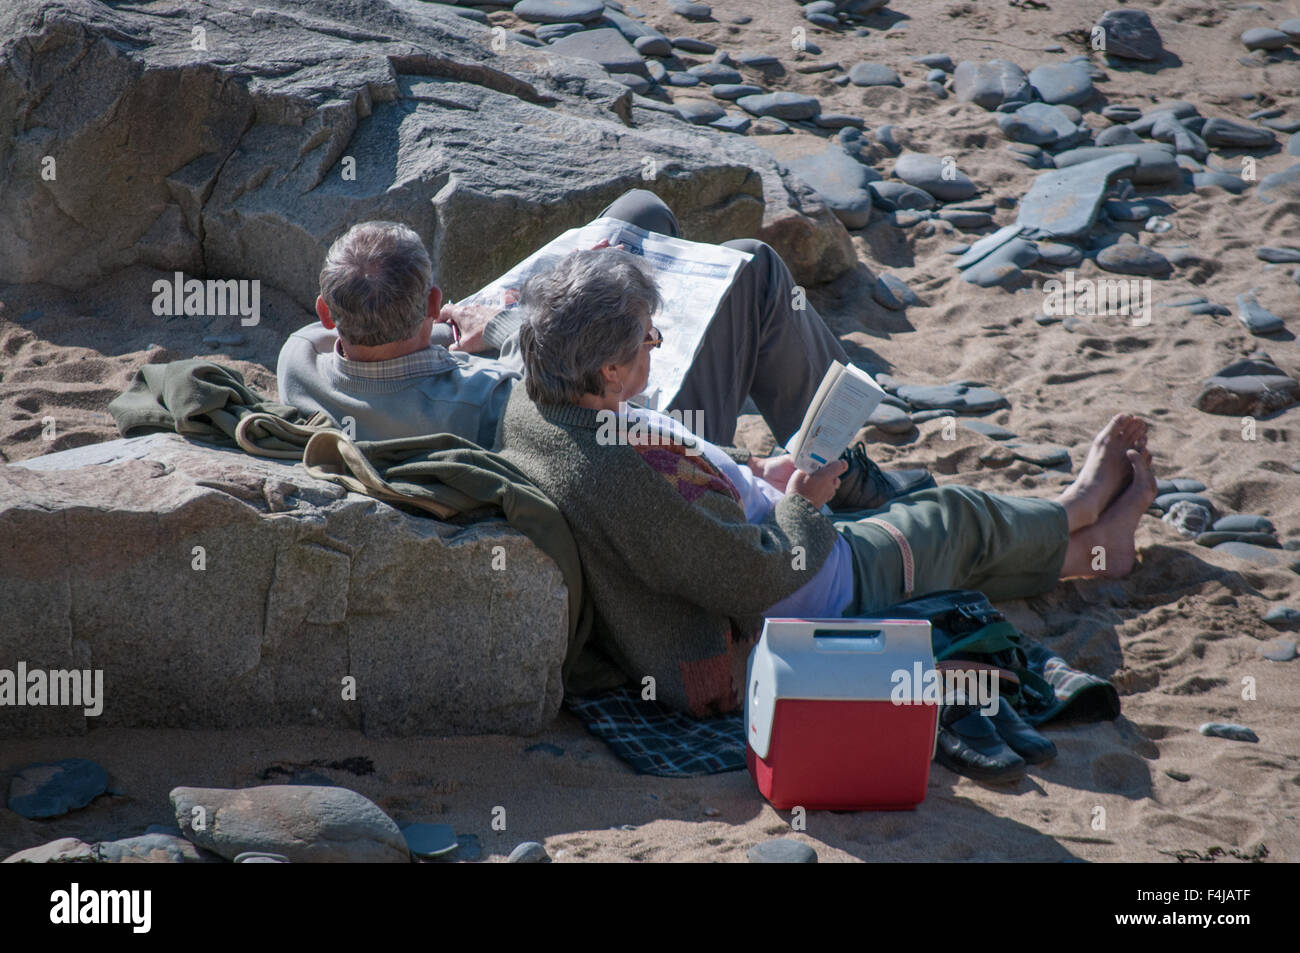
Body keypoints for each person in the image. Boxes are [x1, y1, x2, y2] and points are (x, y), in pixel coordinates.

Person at [499, 249, 1158, 717]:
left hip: (752, 540)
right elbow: (750, 576)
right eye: (649, 339)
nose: (656, 344)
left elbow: (677, 471)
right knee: (951, 520)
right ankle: (1078, 510)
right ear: (611, 370)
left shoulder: (541, 403)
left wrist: (755, 470)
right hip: (787, 590)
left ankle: (1087, 547)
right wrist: (804, 505)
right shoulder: (622, 475)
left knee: (937, 540)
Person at [276, 189, 932, 511]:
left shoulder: (301, 363)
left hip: (472, 365)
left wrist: (451, 329)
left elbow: (387, 358)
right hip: (622, 436)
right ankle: (839, 474)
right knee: (752, 267)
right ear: (428, 301)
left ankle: (833, 455)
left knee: (638, 213)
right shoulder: (484, 399)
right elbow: (553, 374)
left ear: (328, 312)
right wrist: (503, 322)